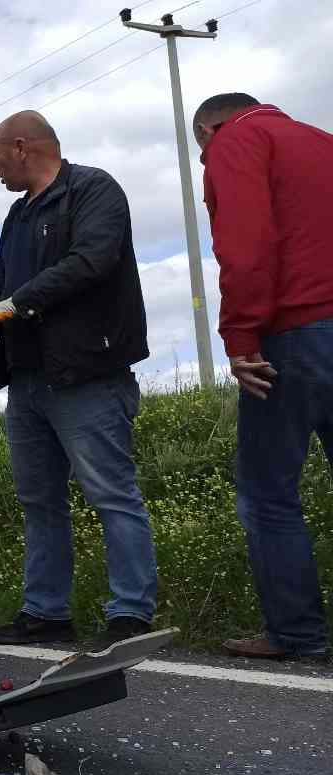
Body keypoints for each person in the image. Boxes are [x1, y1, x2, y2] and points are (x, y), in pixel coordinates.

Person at [0, 111, 158, 650]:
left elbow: (89, 263)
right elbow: (0, 284)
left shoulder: (94, 190)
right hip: (27, 380)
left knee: (112, 494)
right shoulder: (15, 215)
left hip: (88, 376)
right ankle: (47, 612)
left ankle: (130, 614)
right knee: (38, 501)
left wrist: (5, 309)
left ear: (23, 147)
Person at [193, 94, 333, 661]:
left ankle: (299, 635)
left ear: (207, 129)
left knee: (269, 494)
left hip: (296, 334)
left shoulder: (236, 142)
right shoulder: (321, 140)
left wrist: (241, 339)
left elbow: (246, 246)